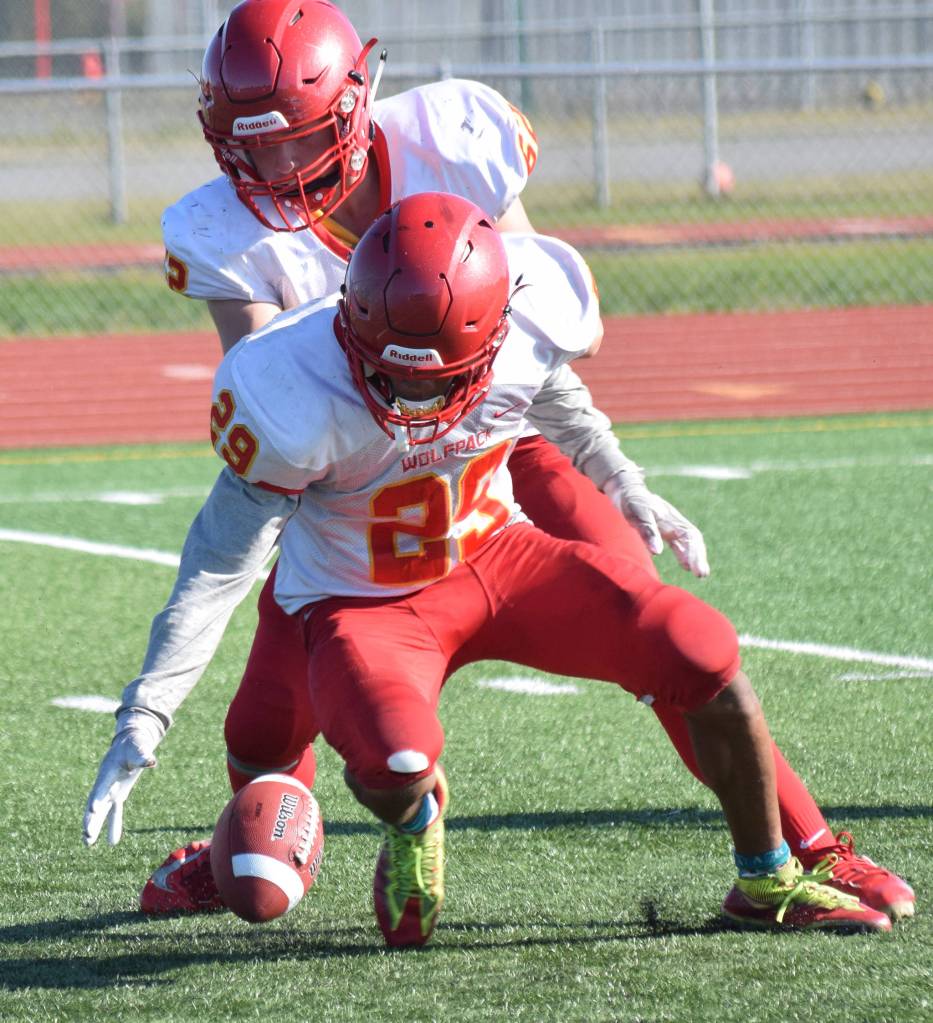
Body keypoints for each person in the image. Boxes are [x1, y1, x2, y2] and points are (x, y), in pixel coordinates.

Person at [83, 0, 914, 925]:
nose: (272, 171)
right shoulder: (239, 264)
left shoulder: (454, 135)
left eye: (295, 141)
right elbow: (263, 389)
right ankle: (260, 837)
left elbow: (521, 335)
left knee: (654, 617)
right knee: (265, 717)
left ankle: (800, 849)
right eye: (250, 147)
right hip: (347, 471)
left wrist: (617, 474)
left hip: (494, 439)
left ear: (359, 99)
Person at [179, 193, 899, 945]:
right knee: (371, 754)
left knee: (695, 643)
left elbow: (550, 387)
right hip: (363, 591)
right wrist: (148, 707)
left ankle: (772, 872)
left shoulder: (484, 193)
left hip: (494, 539)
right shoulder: (284, 362)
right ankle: (408, 817)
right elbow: (217, 557)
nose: (417, 397)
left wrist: (622, 478)